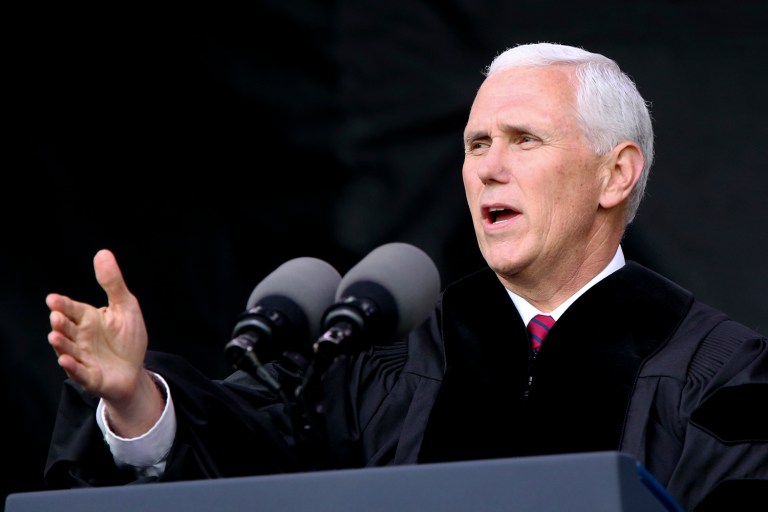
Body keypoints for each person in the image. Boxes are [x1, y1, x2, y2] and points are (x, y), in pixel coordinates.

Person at [44, 42, 767, 510]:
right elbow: (251, 466)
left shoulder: (721, 374)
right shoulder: (387, 364)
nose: (488, 166)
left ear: (616, 174)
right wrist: (138, 402)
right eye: (476, 143)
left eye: (523, 140)